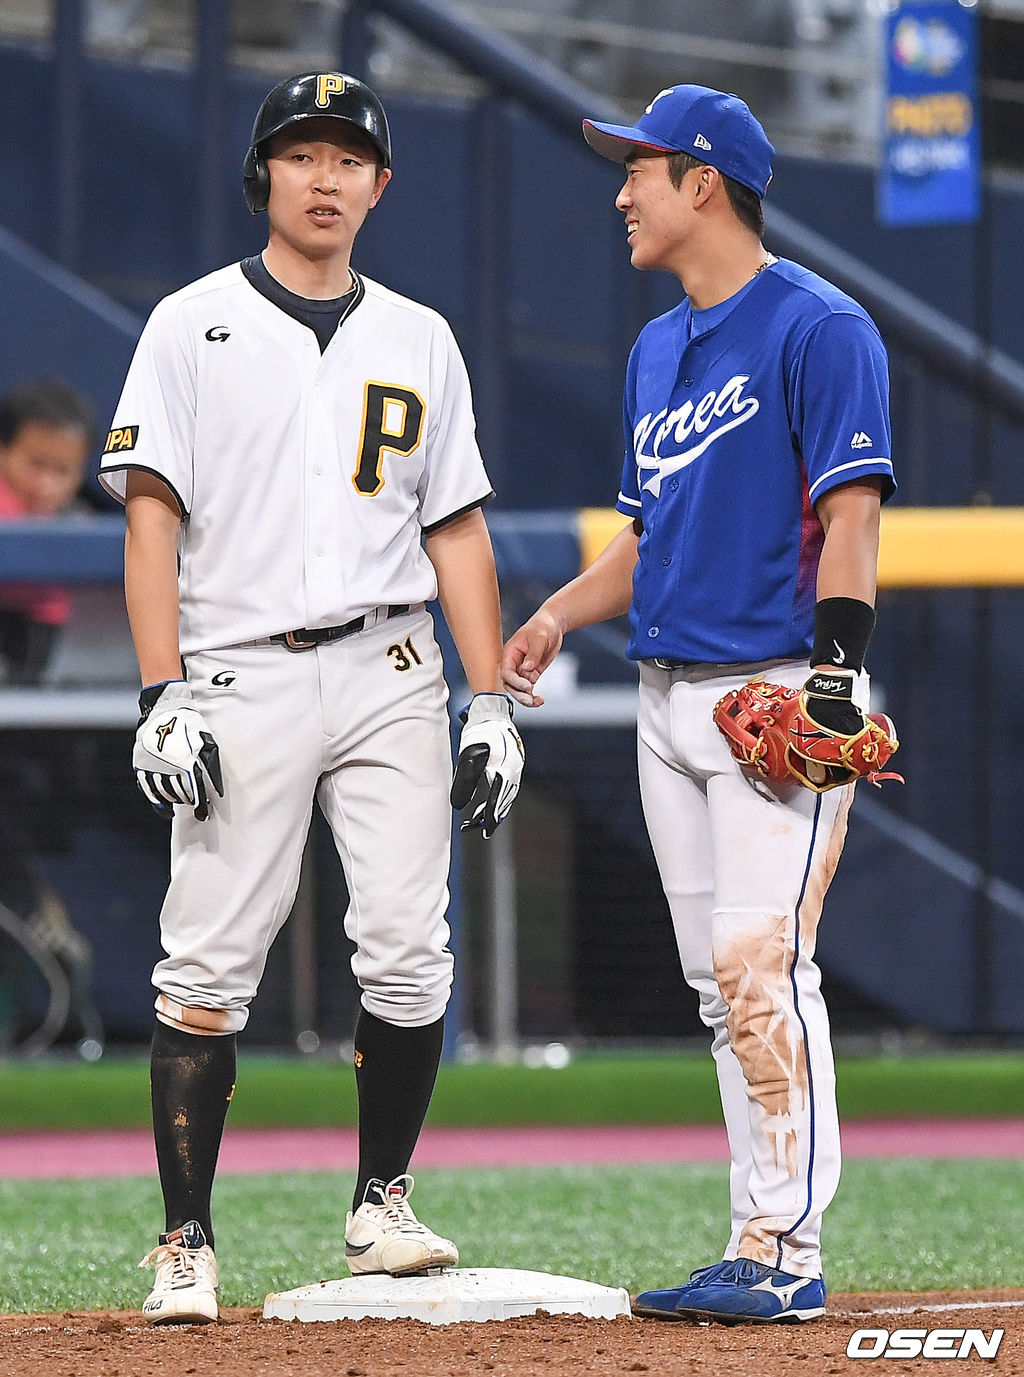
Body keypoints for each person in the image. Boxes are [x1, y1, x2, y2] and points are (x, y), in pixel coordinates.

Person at [99, 71, 523, 1325]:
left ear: (381, 185)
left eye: (350, 158)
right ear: (264, 176)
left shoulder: (420, 335)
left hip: (392, 665)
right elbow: (149, 520)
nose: (327, 176)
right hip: (239, 663)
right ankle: (185, 1240)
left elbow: (458, 531)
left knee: (408, 946)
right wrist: (158, 692)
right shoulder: (188, 323)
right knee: (211, 959)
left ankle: (381, 1203)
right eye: (303, 154)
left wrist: (489, 702)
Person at [502, 85, 896, 1324]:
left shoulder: (819, 328)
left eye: (640, 169)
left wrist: (832, 675)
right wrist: (563, 611)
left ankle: (787, 1248)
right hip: (665, 701)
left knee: (758, 965)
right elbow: (645, 535)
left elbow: (851, 514)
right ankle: (753, 1234)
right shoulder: (655, 347)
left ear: (704, 181)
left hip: (777, 686)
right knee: (711, 981)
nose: (620, 192)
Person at [0, 379, 94, 685]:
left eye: (62, 470)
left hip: (40, 647)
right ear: (4, 451)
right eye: (35, 464)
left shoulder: (82, 522)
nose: (46, 484)